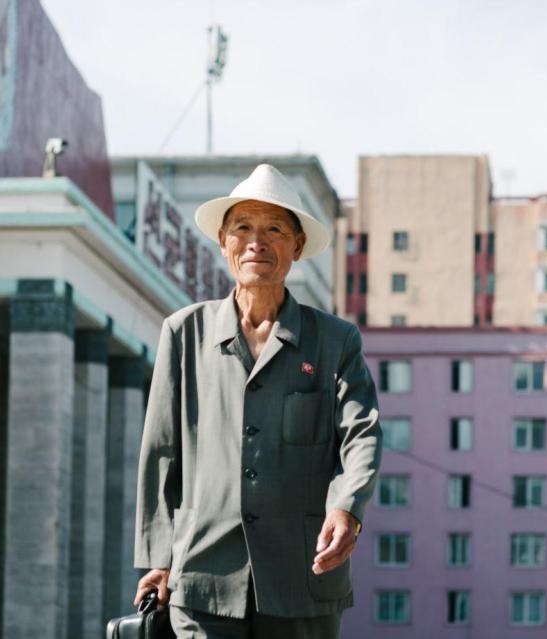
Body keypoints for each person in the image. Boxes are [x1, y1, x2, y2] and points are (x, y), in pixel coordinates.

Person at [132, 163, 382, 638]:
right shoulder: (184, 333)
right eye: (242, 227)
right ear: (223, 240)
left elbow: (362, 433)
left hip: (303, 578)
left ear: (298, 246)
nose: (256, 242)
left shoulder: (335, 341)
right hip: (202, 576)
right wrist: (158, 559)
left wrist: (347, 508)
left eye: (273, 229)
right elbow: (160, 453)